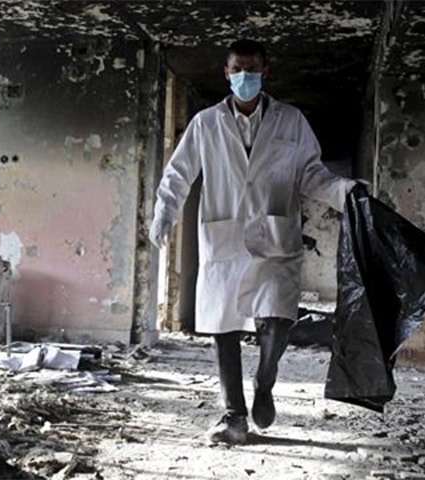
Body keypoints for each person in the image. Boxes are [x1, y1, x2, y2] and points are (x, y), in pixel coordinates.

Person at [149, 39, 358, 444]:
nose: (245, 77)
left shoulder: (291, 121)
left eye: (253, 69)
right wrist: (165, 212)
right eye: (237, 69)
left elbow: (311, 174)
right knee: (222, 327)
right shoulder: (205, 123)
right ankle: (233, 415)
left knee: (277, 320)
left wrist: (346, 193)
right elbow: (179, 173)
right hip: (223, 238)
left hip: (274, 235)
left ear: (266, 72)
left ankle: (265, 381)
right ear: (226, 74)